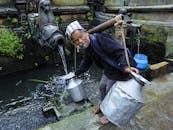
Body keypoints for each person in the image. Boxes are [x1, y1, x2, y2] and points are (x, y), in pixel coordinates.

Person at [65, 16, 139, 124]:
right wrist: (77, 73)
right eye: (76, 41)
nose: (80, 41)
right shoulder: (87, 47)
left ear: (85, 32)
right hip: (109, 69)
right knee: (102, 87)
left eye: (81, 37)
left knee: (111, 91)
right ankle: (101, 105)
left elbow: (120, 51)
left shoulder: (101, 38)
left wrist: (125, 66)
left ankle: (109, 115)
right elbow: (86, 62)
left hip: (119, 67)